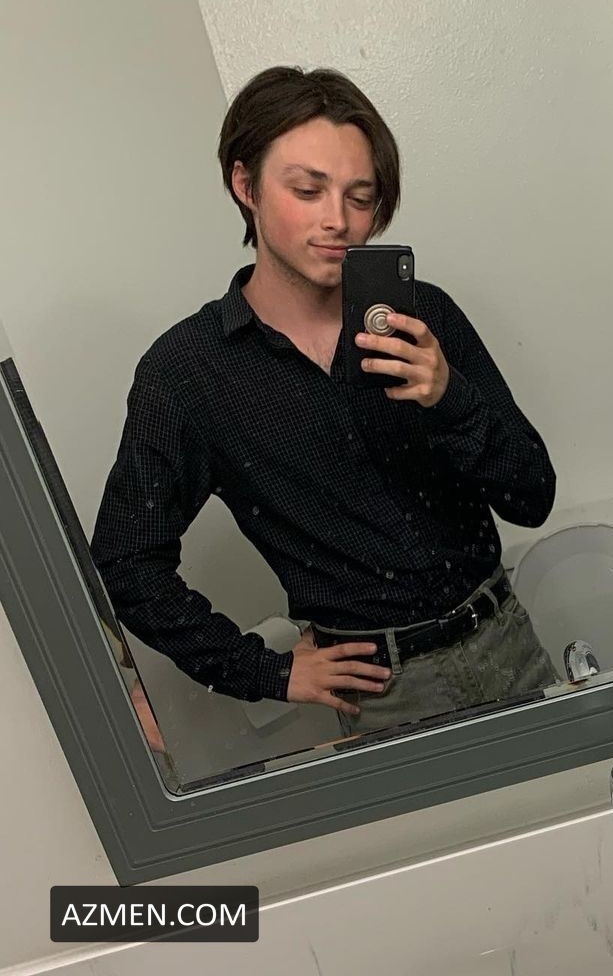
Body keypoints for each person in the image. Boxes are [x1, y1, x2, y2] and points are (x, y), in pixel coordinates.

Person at [90, 65, 559, 741]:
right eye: (307, 191)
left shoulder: (424, 318)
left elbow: (533, 495)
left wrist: (449, 397)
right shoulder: (187, 374)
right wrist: (264, 671)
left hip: (508, 641)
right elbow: (126, 561)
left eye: (359, 197)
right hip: (383, 694)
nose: (337, 220)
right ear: (245, 185)